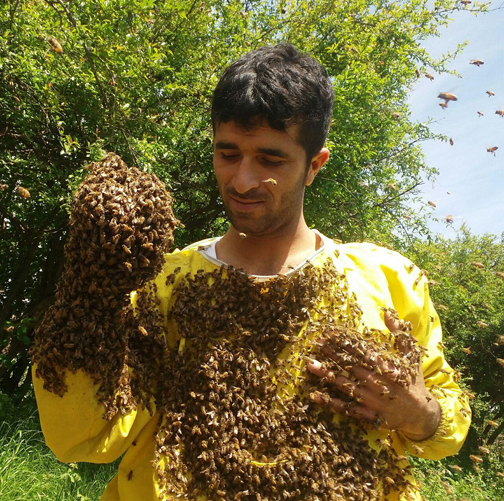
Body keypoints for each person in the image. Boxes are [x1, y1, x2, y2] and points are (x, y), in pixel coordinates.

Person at [33, 43, 471, 501]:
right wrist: (87, 292)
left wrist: (420, 416)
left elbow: (447, 419)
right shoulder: (164, 284)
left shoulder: (388, 279)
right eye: (228, 153)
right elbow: (84, 438)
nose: (242, 180)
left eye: (270, 159)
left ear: (314, 166)